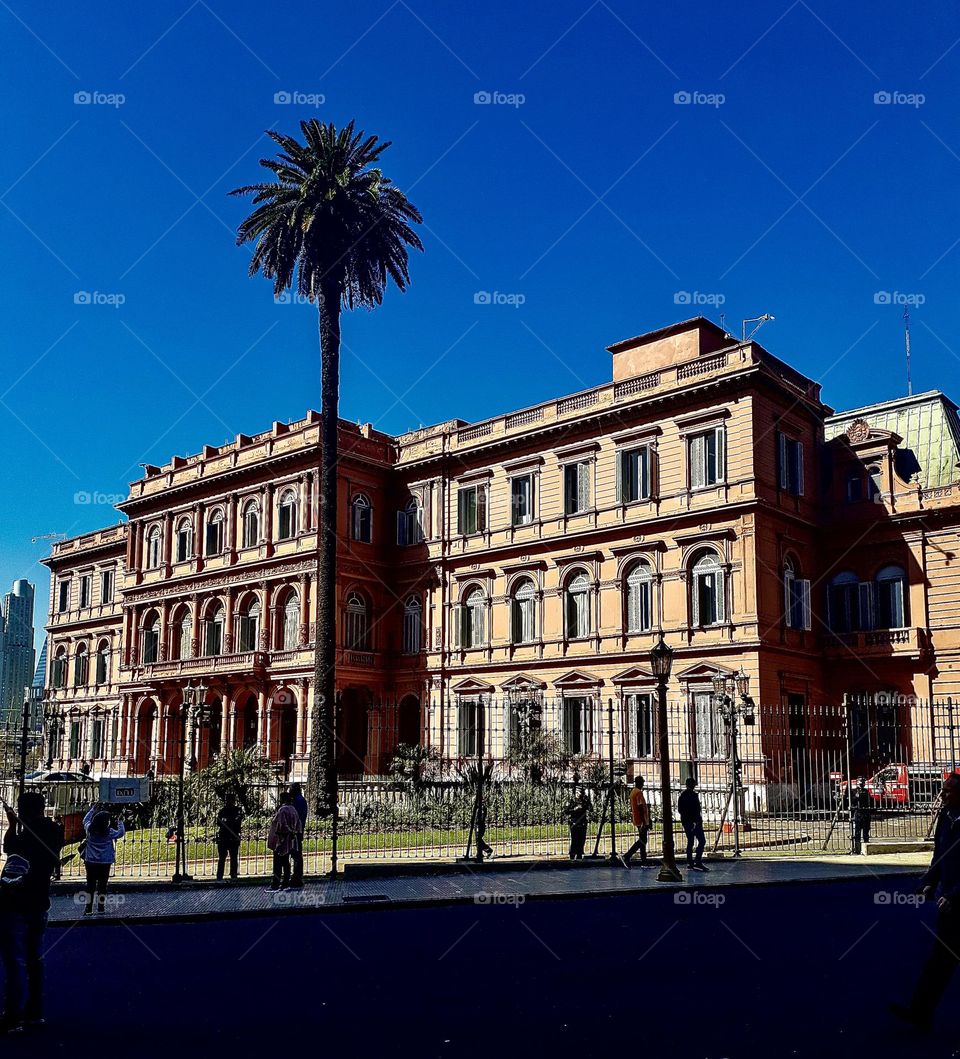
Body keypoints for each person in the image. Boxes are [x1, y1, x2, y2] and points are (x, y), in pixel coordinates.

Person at [889, 773, 960, 1031]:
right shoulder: (946, 816)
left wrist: (954, 896)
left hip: (955, 899)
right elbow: (940, 855)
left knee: (942, 960)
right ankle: (920, 1012)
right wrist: (928, 882)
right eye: (943, 790)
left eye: (949, 791)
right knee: (940, 960)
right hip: (949, 901)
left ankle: (920, 1011)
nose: (943, 795)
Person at [0, 792, 64, 1032]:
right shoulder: (54, 831)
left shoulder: (23, 837)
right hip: (40, 901)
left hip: (15, 904)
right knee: (34, 958)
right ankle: (34, 1010)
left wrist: (13, 824)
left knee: (14, 961)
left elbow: (9, 849)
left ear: (23, 810)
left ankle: (13, 1014)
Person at [80, 803, 125, 915]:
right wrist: (120, 822)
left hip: (90, 860)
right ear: (106, 822)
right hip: (105, 861)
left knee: (90, 884)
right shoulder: (109, 832)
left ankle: (88, 908)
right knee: (102, 885)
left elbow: (85, 820)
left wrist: (92, 810)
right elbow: (121, 833)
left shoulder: (89, 830)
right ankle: (101, 907)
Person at [266, 791, 302, 893]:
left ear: (283, 799)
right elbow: (298, 824)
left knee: (277, 863)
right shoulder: (293, 809)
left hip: (281, 840)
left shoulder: (282, 810)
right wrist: (294, 833)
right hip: (290, 840)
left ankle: (275, 884)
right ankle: (286, 883)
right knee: (286, 862)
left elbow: (282, 825)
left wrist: (284, 834)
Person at [677, 777, 708, 871]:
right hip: (695, 822)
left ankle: (690, 862)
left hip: (686, 821)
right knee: (702, 841)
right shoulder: (693, 795)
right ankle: (697, 861)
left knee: (690, 841)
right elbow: (696, 810)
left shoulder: (682, 795)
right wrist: (695, 821)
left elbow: (680, 809)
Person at [623, 776, 652, 867]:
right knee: (642, 841)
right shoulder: (638, 792)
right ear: (640, 783)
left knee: (643, 840)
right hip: (641, 820)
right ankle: (627, 855)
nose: (643, 784)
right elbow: (640, 807)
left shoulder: (633, 792)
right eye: (642, 782)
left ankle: (644, 861)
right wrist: (645, 822)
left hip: (637, 818)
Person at [215, 792, 243, 881]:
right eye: (228, 800)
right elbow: (219, 822)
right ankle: (219, 875)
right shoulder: (222, 811)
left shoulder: (237, 810)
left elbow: (238, 821)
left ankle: (233, 874)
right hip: (224, 836)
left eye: (231, 800)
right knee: (222, 857)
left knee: (234, 857)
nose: (229, 802)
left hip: (233, 836)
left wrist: (228, 822)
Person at [289, 783, 308, 888]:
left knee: (296, 854)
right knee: (296, 854)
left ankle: (296, 877)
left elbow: (296, 816)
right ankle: (297, 876)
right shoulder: (301, 800)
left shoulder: (297, 801)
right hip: (298, 830)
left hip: (295, 831)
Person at [564, 789, 592, 860]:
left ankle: (580, 854)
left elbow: (591, 809)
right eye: (578, 792)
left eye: (581, 792)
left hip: (583, 823)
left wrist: (587, 801)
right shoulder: (571, 800)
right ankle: (572, 855)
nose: (579, 794)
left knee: (582, 839)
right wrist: (574, 809)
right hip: (574, 822)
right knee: (574, 839)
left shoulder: (585, 800)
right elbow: (566, 811)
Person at [851, 777, 872, 854]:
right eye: (860, 782)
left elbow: (870, 801)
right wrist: (856, 797)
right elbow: (851, 801)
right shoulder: (854, 791)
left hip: (865, 811)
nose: (862, 784)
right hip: (858, 812)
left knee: (866, 829)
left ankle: (866, 844)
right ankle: (857, 848)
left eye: (863, 782)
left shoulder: (866, 791)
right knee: (857, 831)